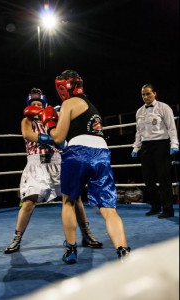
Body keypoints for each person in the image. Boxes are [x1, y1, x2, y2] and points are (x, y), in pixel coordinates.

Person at [35, 70, 130, 264]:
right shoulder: (92, 106)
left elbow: (59, 138)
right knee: (108, 209)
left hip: (78, 153)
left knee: (69, 201)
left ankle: (71, 249)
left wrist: (50, 123)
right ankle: (123, 250)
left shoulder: (69, 103)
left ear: (63, 88)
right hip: (102, 154)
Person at [4, 88, 103, 254]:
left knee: (75, 198)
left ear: (44, 104)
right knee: (29, 202)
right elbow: (28, 135)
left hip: (58, 163)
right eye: (33, 104)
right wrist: (53, 139)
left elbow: (66, 131)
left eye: (39, 103)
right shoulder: (27, 121)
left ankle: (87, 234)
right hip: (37, 165)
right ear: (29, 106)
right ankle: (17, 238)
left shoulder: (53, 118)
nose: (36, 106)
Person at [131, 83, 179, 218]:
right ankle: (155, 206)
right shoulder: (139, 112)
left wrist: (174, 143)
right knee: (148, 178)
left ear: (155, 93)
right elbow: (138, 132)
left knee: (164, 179)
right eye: (143, 94)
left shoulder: (164, 108)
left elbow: (171, 127)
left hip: (161, 145)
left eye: (148, 93)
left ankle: (168, 209)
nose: (145, 96)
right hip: (146, 147)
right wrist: (136, 147)